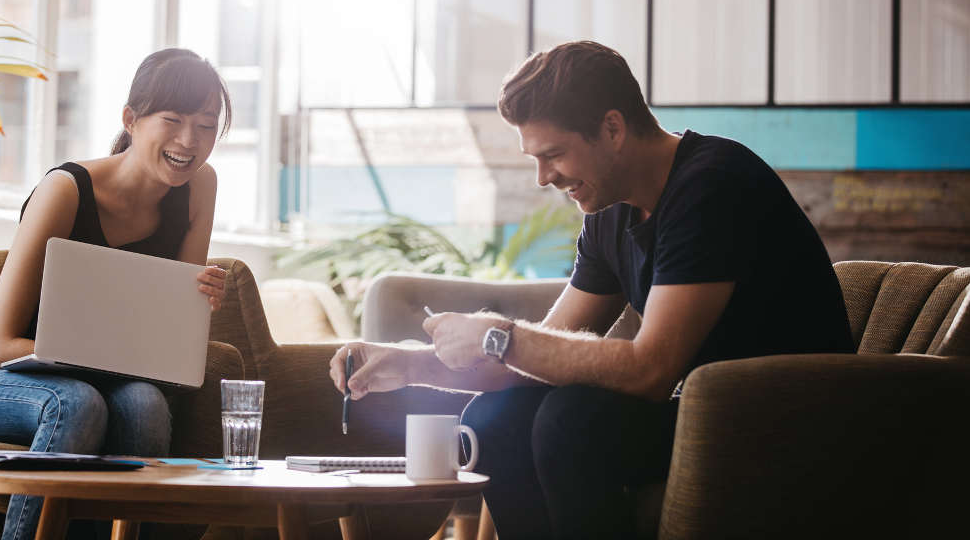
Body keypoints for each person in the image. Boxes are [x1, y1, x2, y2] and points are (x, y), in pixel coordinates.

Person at [329, 41, 853, 539]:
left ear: (612, 128)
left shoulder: (712, 187)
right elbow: (537, 359)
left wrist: (500, 335)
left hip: (787, 420)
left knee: (574, 420)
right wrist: (408, 363)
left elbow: (650, 370)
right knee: (497, 419)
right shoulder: (611, 213)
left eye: (553, 154)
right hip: (706, 411)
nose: (542, 178)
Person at [0, 48, 230, 540]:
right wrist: (103, 362)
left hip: (103, 377)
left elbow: (168, 344)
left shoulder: (200, 186)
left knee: (145, 402)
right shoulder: (65, 190)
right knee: (77, 403)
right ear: (132, 119)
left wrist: (198, 299)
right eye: (173, 119)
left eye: (207, 125)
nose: (190, 141)